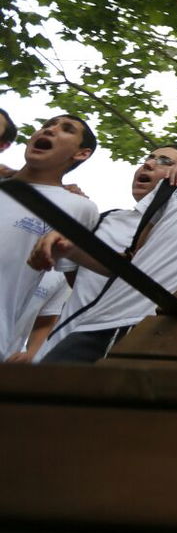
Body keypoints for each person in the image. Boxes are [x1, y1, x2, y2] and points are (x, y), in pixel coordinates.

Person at [32, 103, 177, 357]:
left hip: (167, 323)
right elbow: (132, 259)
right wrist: (71, 249)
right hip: (99, 320)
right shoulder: (175, 182)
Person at [31, 145, 177, 362]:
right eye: (149, 157)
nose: (148, 163)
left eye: (165, 162)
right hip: (60, 346)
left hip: (132, 348)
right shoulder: (106, 219)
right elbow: (79, 282)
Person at [0, 114, 99, 359]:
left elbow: (80, 281)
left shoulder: (77, 207)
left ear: (81, 153)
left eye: (66, 129)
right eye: (46, 125)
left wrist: (34, 353)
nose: (50, 130)